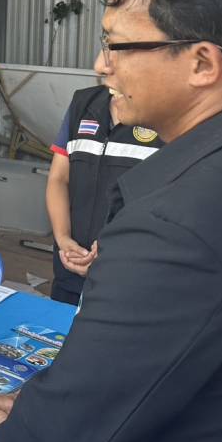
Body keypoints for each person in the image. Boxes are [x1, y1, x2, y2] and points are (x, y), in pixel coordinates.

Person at [0, 0, 222, 442]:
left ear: (202, 63)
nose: (102, 65)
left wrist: (19, 430)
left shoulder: (173, 229)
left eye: (115, 44)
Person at [46, 85, 163, 305]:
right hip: (70, 268)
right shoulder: (83, 103)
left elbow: (169, 202)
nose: (103, 67)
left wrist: (114, 250)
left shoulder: (166, 111)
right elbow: (58, 179)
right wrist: (63, 239)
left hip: (129, 278)